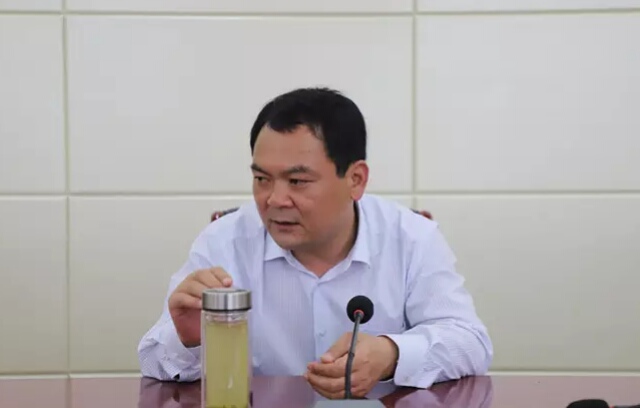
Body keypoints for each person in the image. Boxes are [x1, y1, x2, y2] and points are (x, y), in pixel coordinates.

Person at [138, 87, 493, 399]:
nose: (275, 199)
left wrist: (392, 354)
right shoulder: (224, 242)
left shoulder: (412, 237)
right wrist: (188, 338)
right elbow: (155, 362)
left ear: (355, 179)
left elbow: (470, 343)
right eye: (262, 178)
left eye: (297, 181)